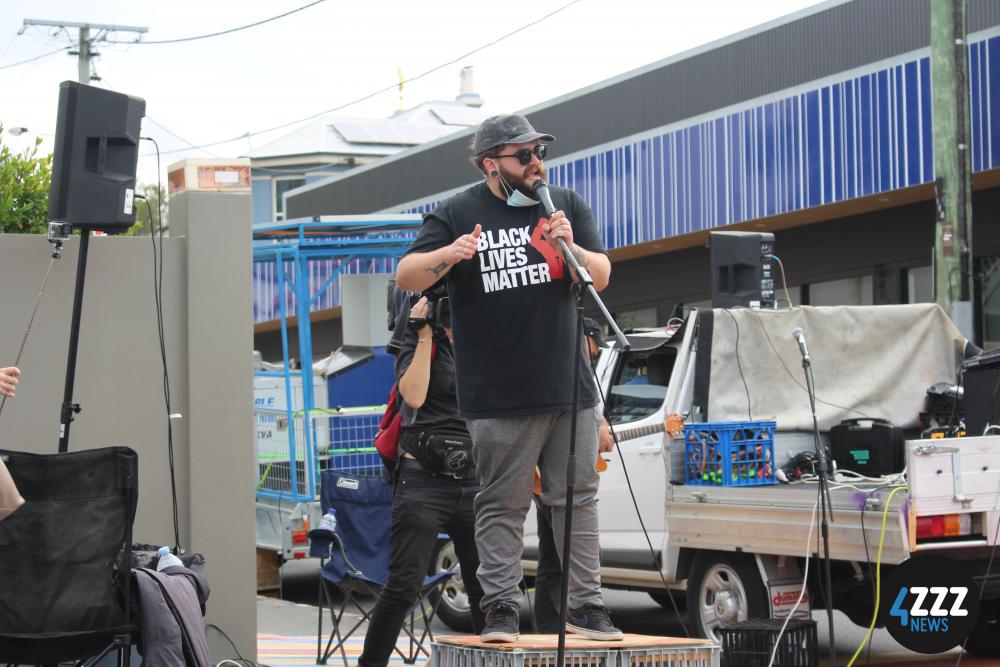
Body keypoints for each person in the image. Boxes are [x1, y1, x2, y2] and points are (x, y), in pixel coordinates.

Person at [395, 113, 622, 642]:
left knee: (577, 499)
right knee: (502, 504)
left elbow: (603, 275)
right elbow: (407, 273)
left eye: (539, 151)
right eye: (523, 155)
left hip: (569, 385)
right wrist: (450, 255)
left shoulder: (565, 205)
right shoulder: (457, 213)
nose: (535, 162)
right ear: (490, 163)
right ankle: (499, 608)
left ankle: (587, 607)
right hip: (497, 394)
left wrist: (573, 245)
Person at [358, 292, 485, 667]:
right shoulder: (418, 336)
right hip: (423, 479)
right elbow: (412, 397)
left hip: (473, 477)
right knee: (403, 585)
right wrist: (426, 332)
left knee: (486, 586)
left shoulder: (480, 342)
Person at [532, 317, 613, 633]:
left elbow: (589, 413)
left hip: (562, 476)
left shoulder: (579, 374)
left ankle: (562, 620)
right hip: (549, 476)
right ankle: (551, 627)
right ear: (585, 338)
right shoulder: (558, 364)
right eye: (595, 345)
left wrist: (601, 426)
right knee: (553, 558)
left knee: (555, 556)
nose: (595, 354)